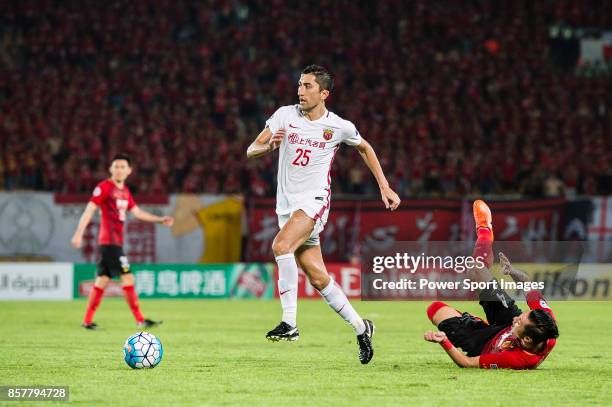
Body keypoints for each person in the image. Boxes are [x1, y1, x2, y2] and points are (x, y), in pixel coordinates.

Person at [246, 64, 401, 364]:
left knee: (280, 246)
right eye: (300, 85)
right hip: (287, 207)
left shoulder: (338, 126)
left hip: (315, 201)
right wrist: (266, 148)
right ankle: (361, 327)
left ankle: (289, 322)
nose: (300, 91)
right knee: (318, 278)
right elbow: (251, 148)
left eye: (307, 86)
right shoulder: (283, 115)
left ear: (324, 93)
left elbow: (365, 148)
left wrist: (384, 187)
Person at [423, 200, 559, 369]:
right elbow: (525, 282)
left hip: (481, 344)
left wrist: (444, 341)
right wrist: (512, 272)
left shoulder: (514, 359)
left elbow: (467, 363)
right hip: (504, 321)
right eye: (523, 314)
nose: (517, 318)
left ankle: (475, 324)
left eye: (519, 321)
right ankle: (485, 231)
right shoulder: (544, 322)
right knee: (475, 269)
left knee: (434, 309)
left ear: (527, 340)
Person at [71, 154, 174, 330]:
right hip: (109, 242)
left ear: (129, 171)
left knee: (102, 280)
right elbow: (89, 210)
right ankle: (140, 319)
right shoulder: (104, 187)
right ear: (111, 169)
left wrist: (159, 219)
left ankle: (87, 321)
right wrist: (78, 234)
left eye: (122, 167)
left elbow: (138, 212)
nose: (119, 169)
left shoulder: (125, 191)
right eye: (116, 166)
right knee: (128, 277)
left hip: (115, 242)